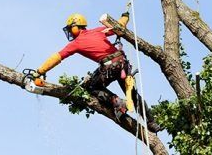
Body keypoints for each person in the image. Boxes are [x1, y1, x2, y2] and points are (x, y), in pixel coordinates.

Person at [32, 13, 162, 132]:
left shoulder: (76, 43)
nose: (70, 33)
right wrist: (125, 16)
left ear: (76, 27)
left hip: (110, 66)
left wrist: (39, 71)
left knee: (91, 86)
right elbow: (120, 26)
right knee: (133, 94)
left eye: (70, 29)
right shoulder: (98, 31)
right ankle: (152, 123)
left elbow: (57, 57)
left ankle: (117, 102)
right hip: (122, 63)